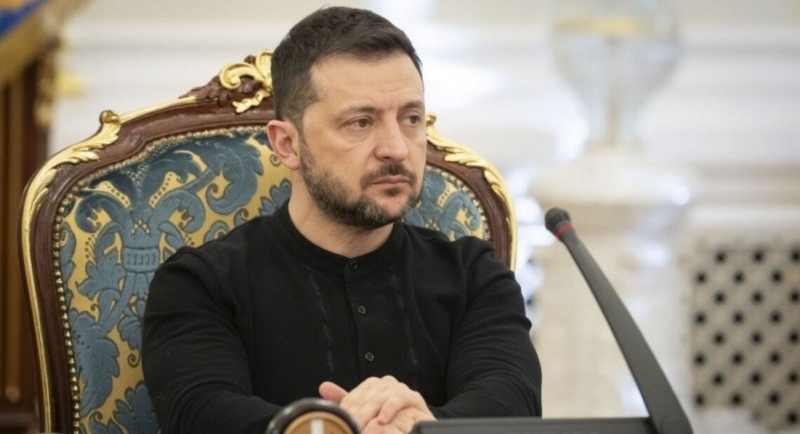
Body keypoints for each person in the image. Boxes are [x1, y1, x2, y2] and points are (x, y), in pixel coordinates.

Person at [142, 6, 542, 434]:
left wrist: (420, 425)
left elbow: (512, 401)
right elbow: (202, 414)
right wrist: (336, 427)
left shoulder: (473, 274)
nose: (396, 148)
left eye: (410, 119)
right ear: (288, 145)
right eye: (360, 122)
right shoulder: (200, 284)